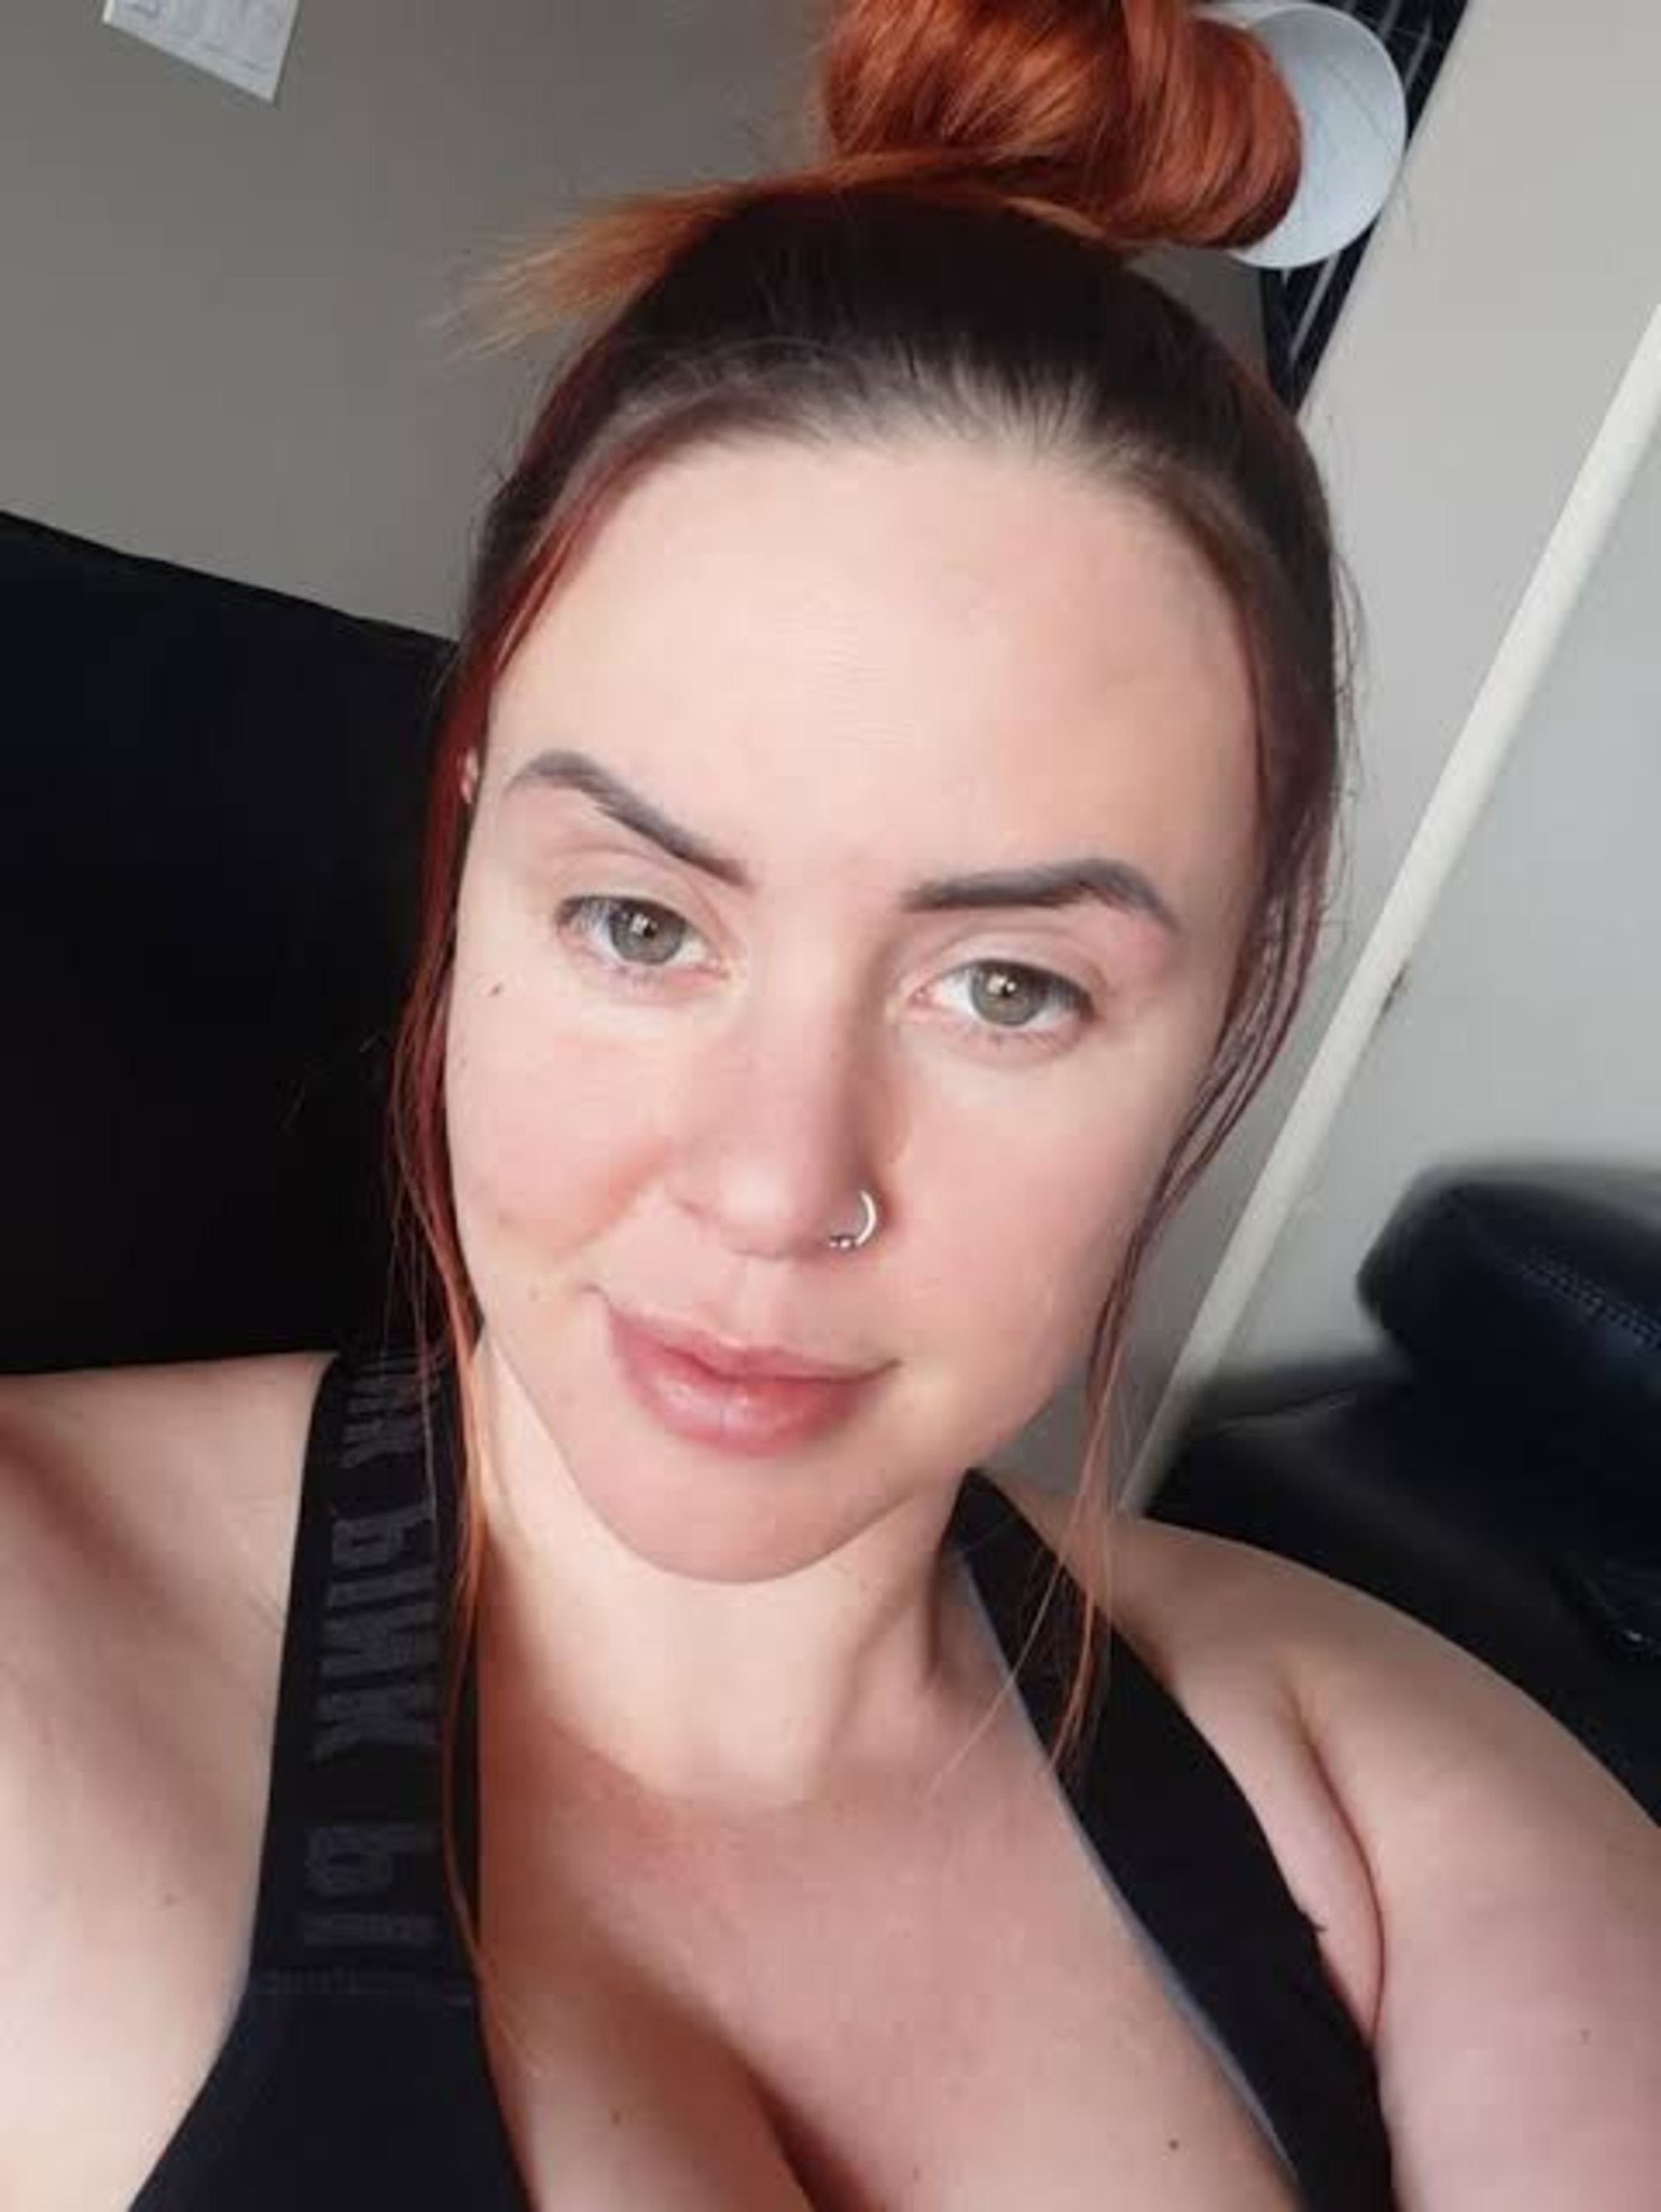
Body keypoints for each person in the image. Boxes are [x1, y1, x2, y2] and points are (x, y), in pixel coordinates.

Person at [3, 2, 1659, 2206]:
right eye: (640, 923)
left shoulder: (1397, 1811)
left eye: (1007, 987)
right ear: (468, 849)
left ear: (1229, 1010)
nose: (778, 1185)